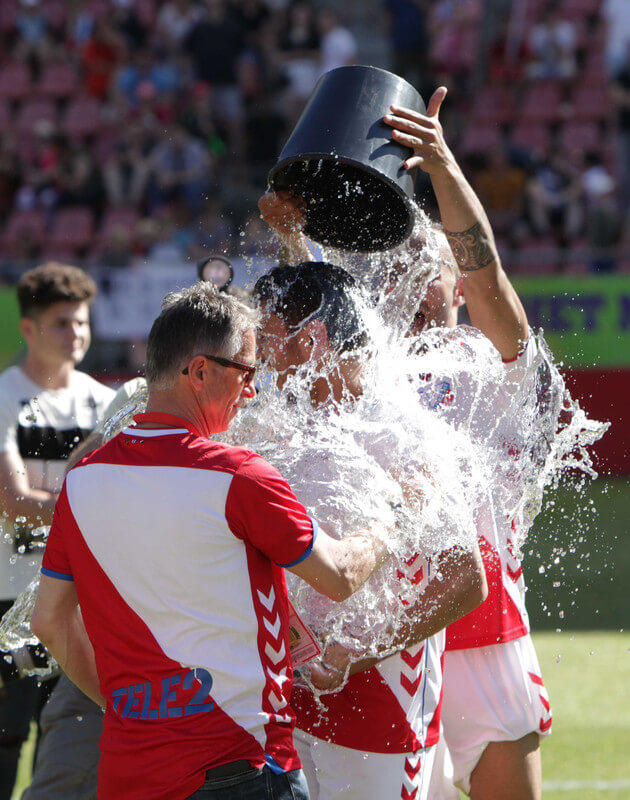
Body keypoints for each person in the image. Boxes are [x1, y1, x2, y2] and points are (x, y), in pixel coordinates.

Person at [31, 281, 391, 800]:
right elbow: (339, 576)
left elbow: (48, 620)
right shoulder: (240, 475)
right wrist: (390, 521)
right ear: (199, 372)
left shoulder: (82, 479)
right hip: (239, 768)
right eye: (246, 372)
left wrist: (128, 709)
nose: (254, 390)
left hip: (128, 770)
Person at [250, 255, 487, 800]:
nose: (260, 354)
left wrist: (359, 654)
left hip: (381, 705)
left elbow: (466, 578)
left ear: (312, 340)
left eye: (270, 336)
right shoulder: (291, 416)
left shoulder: (401, 432)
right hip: (294, 694)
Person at [384, 87, 552, 800]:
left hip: (486, 631)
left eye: (432, 273)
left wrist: (443, 167)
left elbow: (490, 280)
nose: (416, 289)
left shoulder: (491, 365)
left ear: (453, 281)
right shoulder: (370, 370)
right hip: (388, 632)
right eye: (401, 272)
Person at [0, 262, 114, 800]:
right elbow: (14, 503)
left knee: (75, 749)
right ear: (28, 329)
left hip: (78, 601)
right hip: (9, 599)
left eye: (83, 323)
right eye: (62, 323)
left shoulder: (105, 401)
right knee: (6, 744)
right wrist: (86, 504)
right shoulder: (3, 395)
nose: (77, 335)